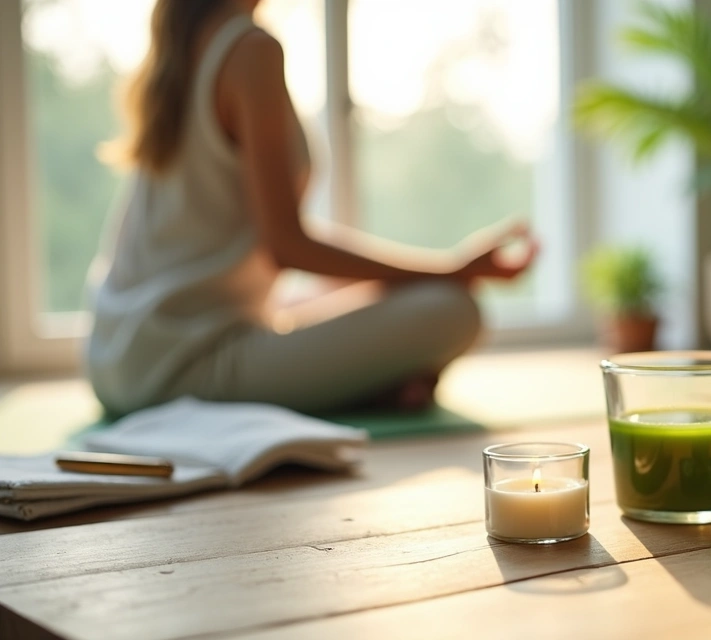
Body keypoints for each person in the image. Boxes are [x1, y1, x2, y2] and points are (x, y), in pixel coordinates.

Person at [87, 0, 538, 417]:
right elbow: (288, 246)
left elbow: (276, 238)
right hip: (184, 366)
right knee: (454, 308)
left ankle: (371, 383)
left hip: (119, 355)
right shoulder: (250, 49)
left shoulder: (185, 45)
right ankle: (371, 385)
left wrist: (437, 270)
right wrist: (450, 270)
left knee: (356, 297)